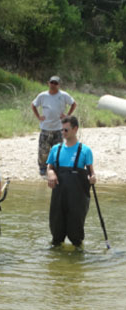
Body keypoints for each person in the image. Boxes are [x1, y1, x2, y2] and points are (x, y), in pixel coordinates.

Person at [46, 116, 96, 247]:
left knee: (76, 235)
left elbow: (91, 171)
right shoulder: (55, 149)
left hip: (77, 198)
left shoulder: (85, 150)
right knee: (56, 232)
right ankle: (56, 260)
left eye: (66, 130)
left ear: (75, 129)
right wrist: (51, 174)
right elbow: (49, 167)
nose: (63, 133)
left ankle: (78, 257)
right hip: (59, 197)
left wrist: (93, 178)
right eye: (61, 130)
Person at [32, 76, 77, 176]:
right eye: (52, 82)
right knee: (43, 150)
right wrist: (38, 116)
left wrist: (68, 115)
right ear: (48, 83)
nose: (53, 85)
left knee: (58, 149)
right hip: (45, 128)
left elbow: (73, 104)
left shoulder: (64, 95)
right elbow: (33, 105)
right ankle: (43, 168)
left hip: (59, 128)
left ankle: (56, 167)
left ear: (59, 85)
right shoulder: (43, 95)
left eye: (55, 83)